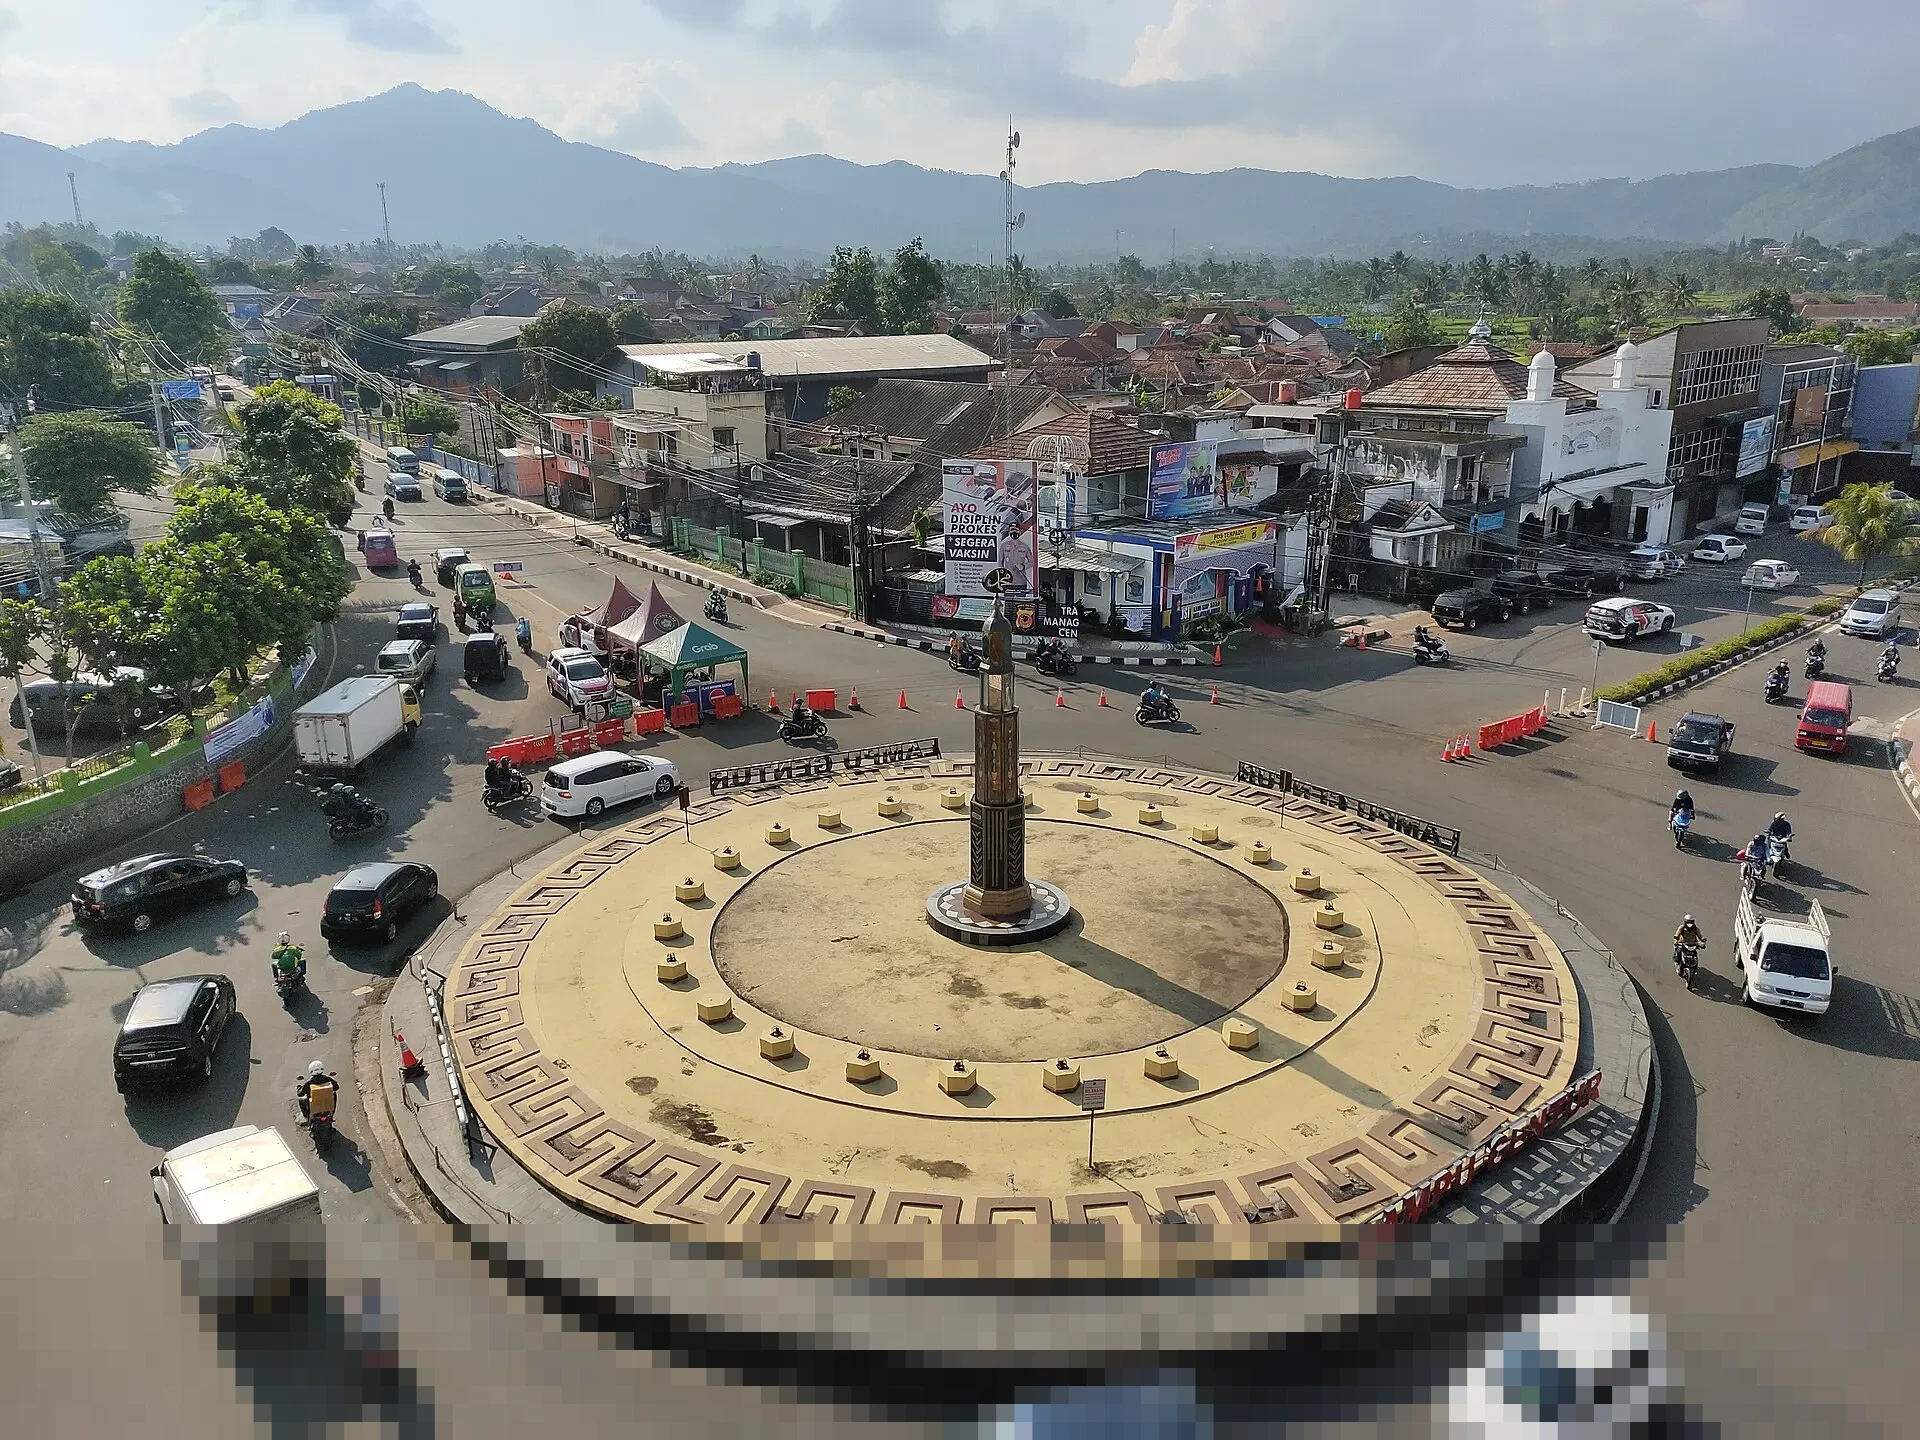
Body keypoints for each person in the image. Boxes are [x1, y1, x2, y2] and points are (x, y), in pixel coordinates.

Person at [297, 1059, 338, 1124]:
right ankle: (332, 1115)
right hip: (326, 1104)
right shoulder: (328, 1079)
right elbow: (336, 1087)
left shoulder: (309, 1083)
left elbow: (300, 1094)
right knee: (334, 1093)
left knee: (300, 1100)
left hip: (314, 1106)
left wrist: (298, 1088)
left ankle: (307, 1118)